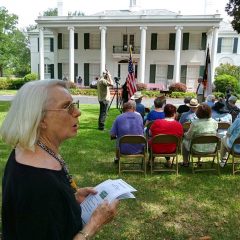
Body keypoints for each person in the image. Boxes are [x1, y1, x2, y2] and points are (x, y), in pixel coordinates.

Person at [0, 79, 118, 239]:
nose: (77, 112)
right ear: (40, 119)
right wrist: (94, 224)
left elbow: (45, 212)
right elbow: (41, 197)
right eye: (66, 106)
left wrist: (70, 198)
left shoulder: (32, 152)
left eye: (74, 104)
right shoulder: (37, 181)